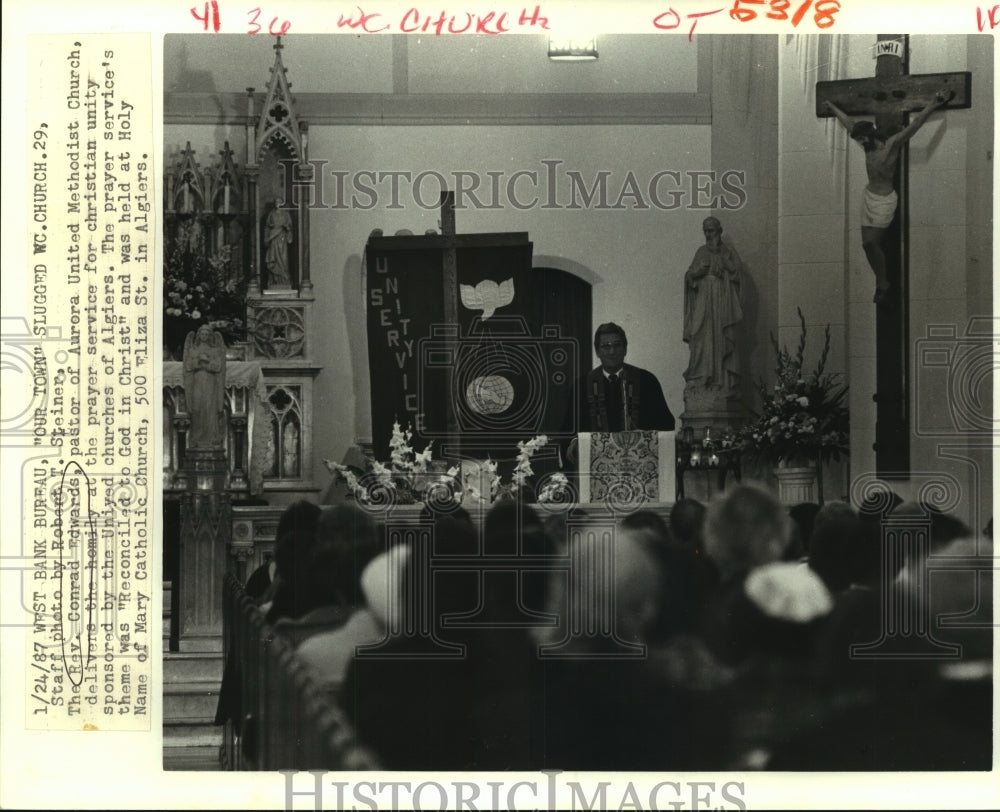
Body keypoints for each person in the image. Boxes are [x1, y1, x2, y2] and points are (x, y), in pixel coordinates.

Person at [825, 91, 952, 304]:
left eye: (863, 138)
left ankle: (883, 282)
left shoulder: (892, 145)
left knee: (871, 243)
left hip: (884, 201)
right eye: (859, 139)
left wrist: (933, 103)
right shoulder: (866, 147)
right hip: (869, 198)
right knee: (867, 245)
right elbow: (848, 122)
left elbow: (916, 124)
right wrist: (831, 104)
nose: (861, 142)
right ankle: (881, 282)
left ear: (871, 134)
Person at [683, 217, 744, 394]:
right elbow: (689, 275)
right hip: (703, 297)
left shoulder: (728, 252)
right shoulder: (701, 251)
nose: (709, 235)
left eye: (712, 231)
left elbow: (739, 276)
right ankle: (701, 377)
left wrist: (727, 265)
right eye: (706, 231)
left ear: (719, 231)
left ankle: (721, 382)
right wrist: (697, 273)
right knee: (699, 334)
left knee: (720, 336)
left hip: (722, 300)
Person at [182, 324, 226, 449]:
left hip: (211, 382)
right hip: (197, 381)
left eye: (207, 334)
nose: (204, 336)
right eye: (202, 334)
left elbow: (218, 367)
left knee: (209, 407)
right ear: (198, 335)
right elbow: (188, 366)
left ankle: (212, 438)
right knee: (197, 407)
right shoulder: (193, 350)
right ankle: (196, 438)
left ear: (210, 336)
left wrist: (206, 362)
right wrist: (198, 362)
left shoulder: (215, 350)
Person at [264, 199, 293, 287]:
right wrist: (267, 237)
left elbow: (290, 227)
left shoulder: (286, 214)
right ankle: (274, 280)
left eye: (280, 202)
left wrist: (286, 227)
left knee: (283, 260)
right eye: (276, 202)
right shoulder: (271, 214)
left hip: (282, 239)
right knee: (273, 259)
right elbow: (267, 227)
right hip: (273, 239)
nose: (278, 204)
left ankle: (284, 280)